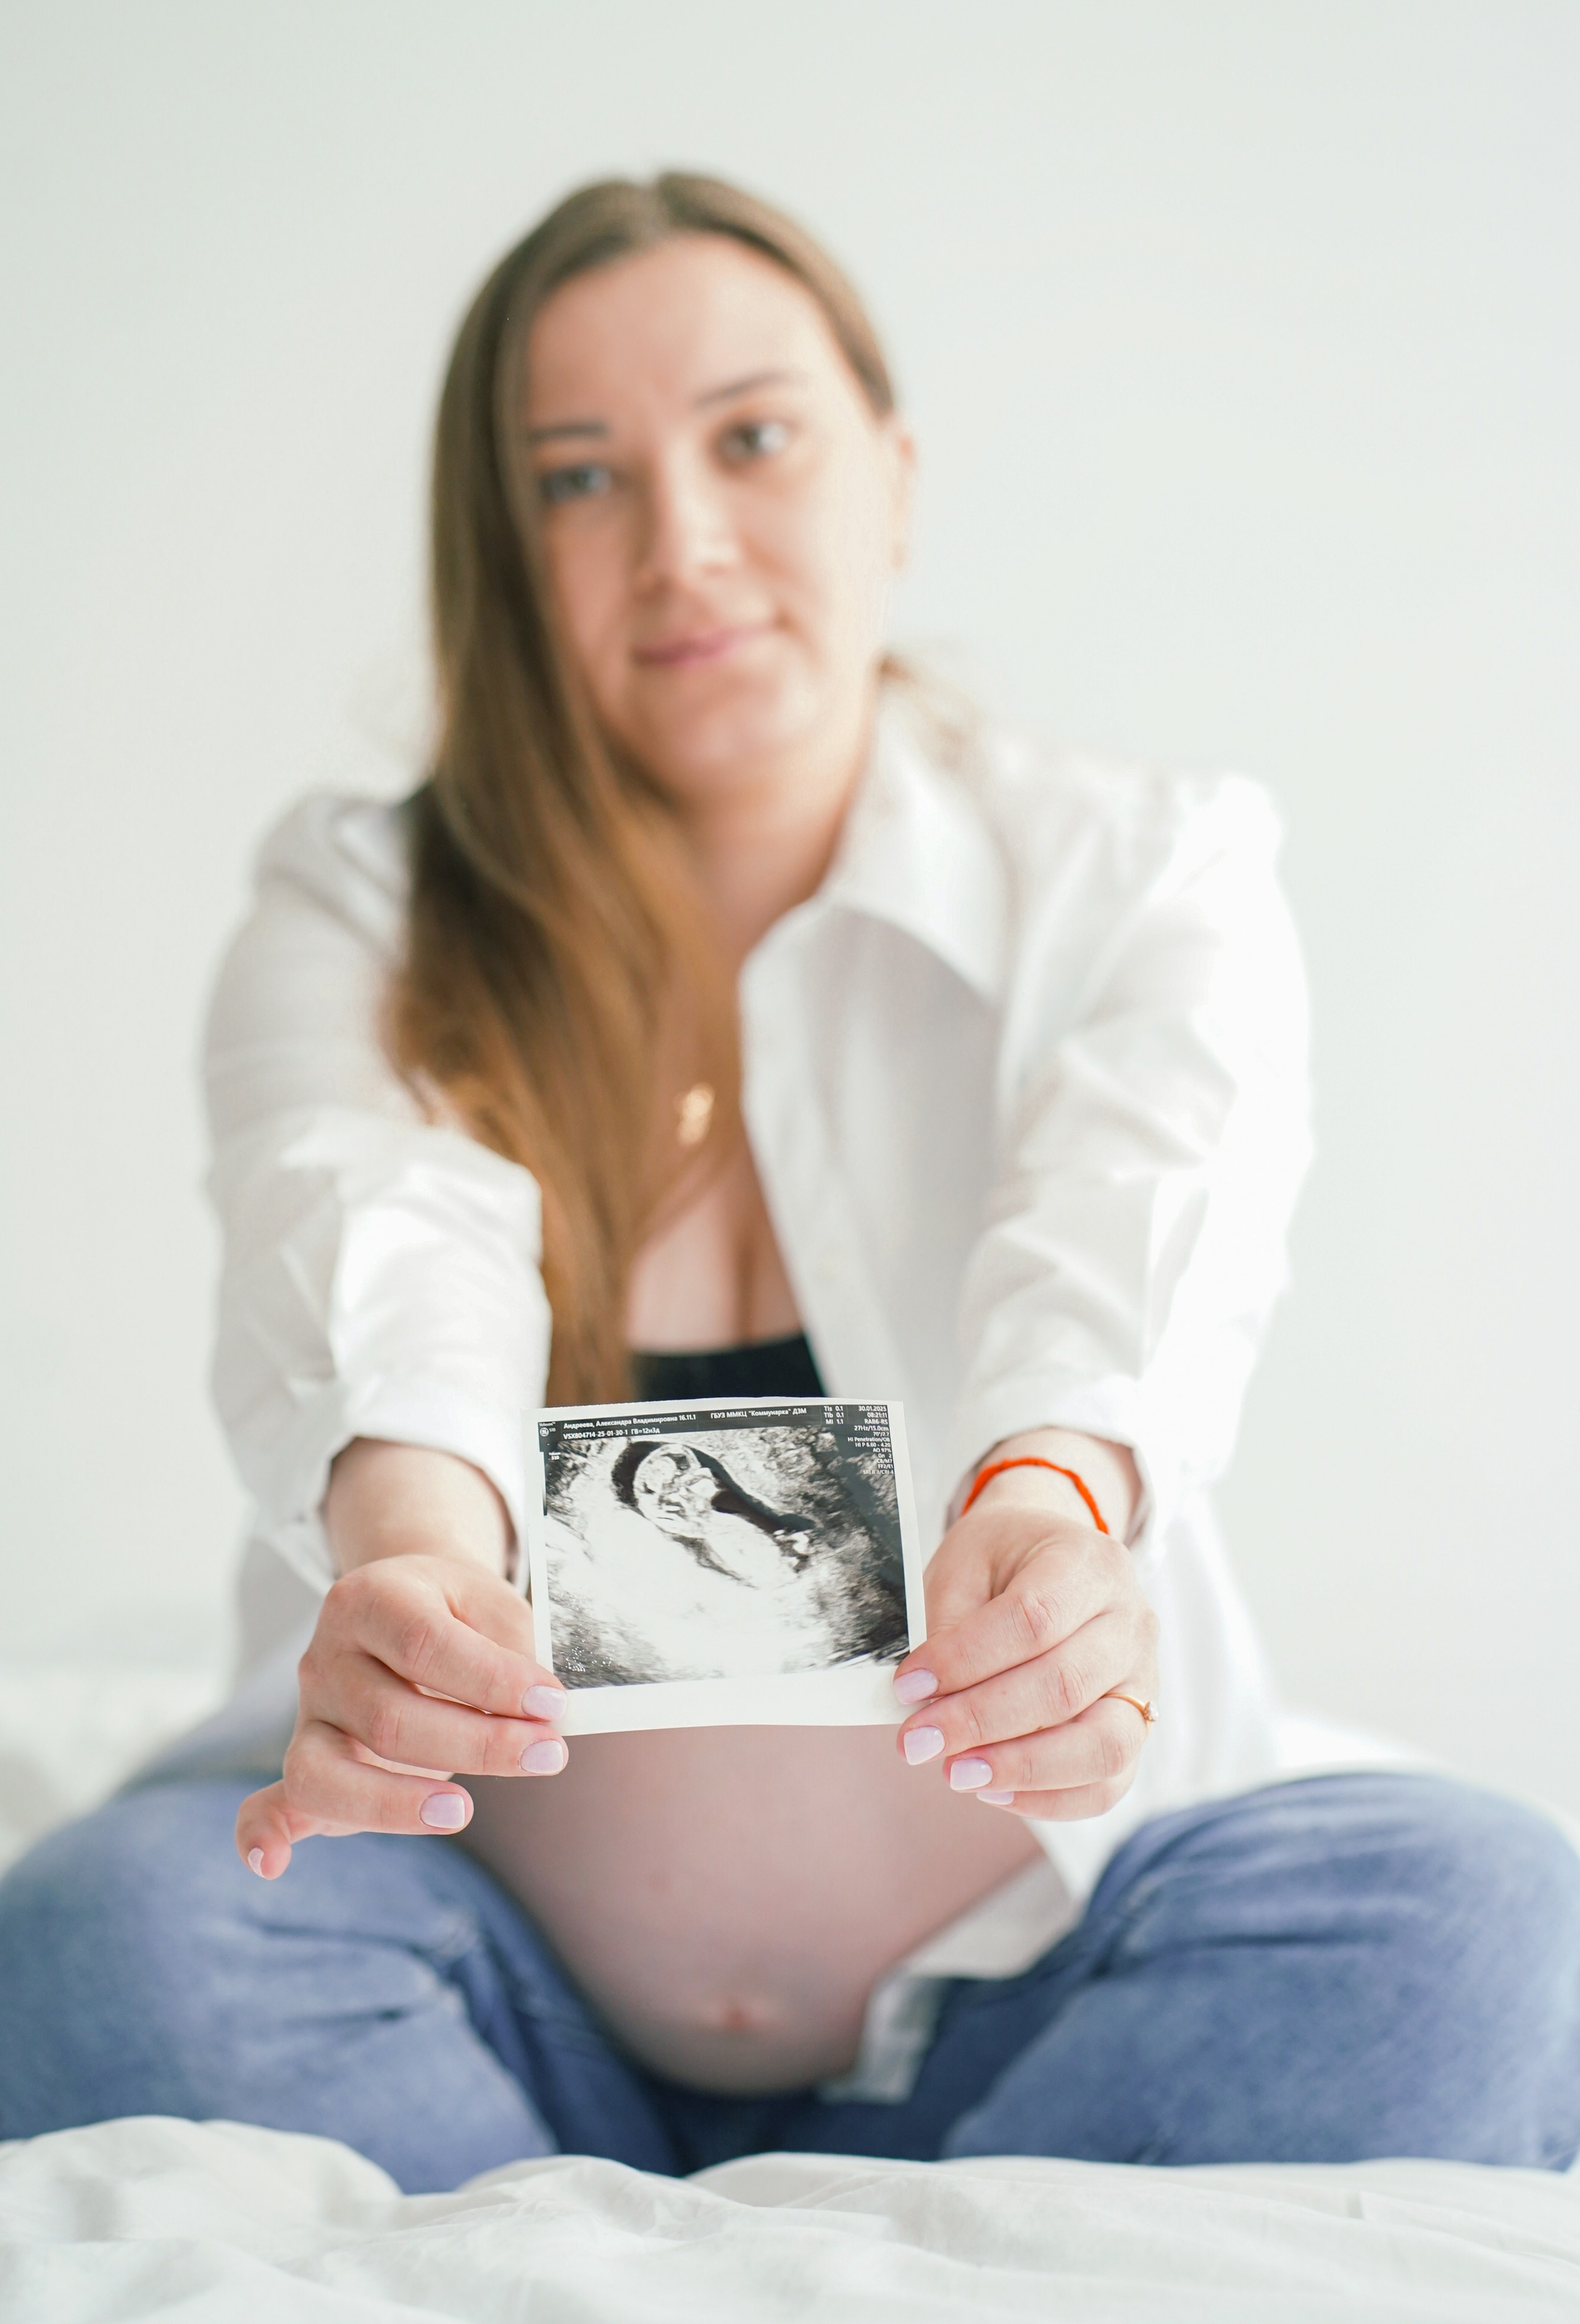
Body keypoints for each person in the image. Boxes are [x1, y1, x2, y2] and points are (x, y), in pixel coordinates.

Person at [1, 172, 1576, 2191]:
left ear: (892, 479)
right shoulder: (362, 904)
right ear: (505, 553)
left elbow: (1136, 1217)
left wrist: (1052, 1498)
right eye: (578, 481)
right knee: (107, 1933)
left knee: (1478, 1920)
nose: (683, 545)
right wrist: (409, 1550)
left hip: (1034, 2002)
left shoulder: (1137, 868)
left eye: (753, 440)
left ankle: (810, 2243)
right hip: (477, 2006)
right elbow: (368, 1233)